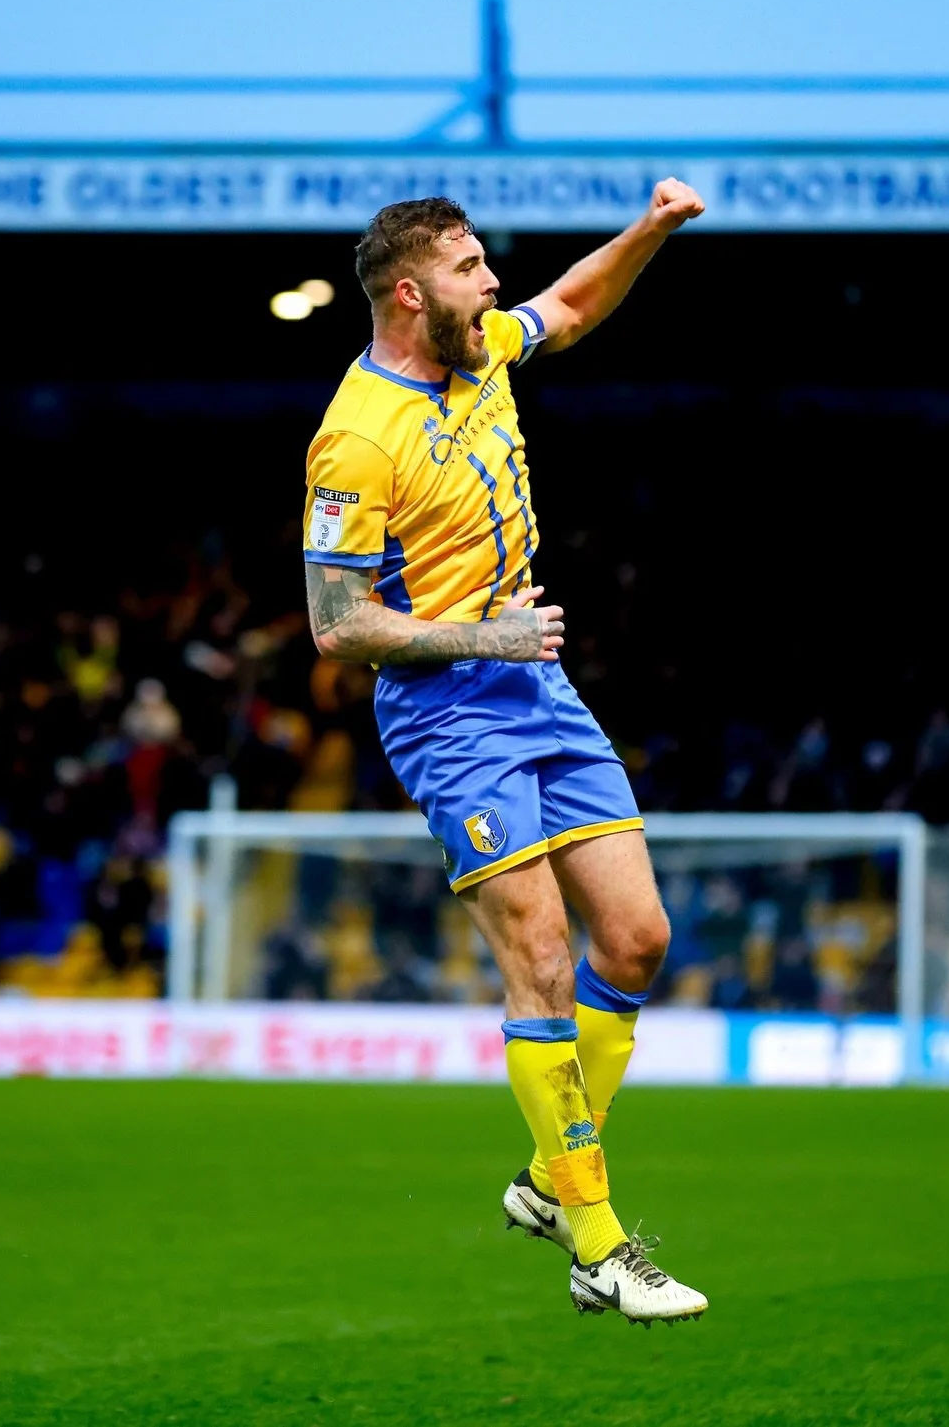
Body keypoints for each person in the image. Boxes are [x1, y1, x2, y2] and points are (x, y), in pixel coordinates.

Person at [302, 182, 707, 1325]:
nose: (493, 285)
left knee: (637, 938)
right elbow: (336, 625)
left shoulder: (481, 354)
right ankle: (599, 1245)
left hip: (536, 684)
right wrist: (490, 635)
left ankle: (544, 1180)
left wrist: (651, 229)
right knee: (539, 954)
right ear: (409, 293)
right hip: (447, 712)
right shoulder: (354, 439)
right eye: (471, 269)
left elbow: (570, 306)